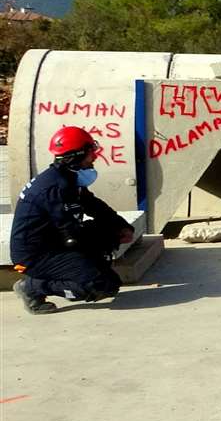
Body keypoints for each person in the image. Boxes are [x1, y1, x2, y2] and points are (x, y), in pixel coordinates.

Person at [9, 126, 134, 315]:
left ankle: (85, 271)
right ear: (77, 156)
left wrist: (121, 226)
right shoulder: (55, 188)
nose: (94, 157)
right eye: (91, 152)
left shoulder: (68, 179)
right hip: (36, 254)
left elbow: (94, 205)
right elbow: (71, 235)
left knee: (107, 235)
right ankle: (32, 287)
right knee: (101, 285)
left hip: (53, 242)